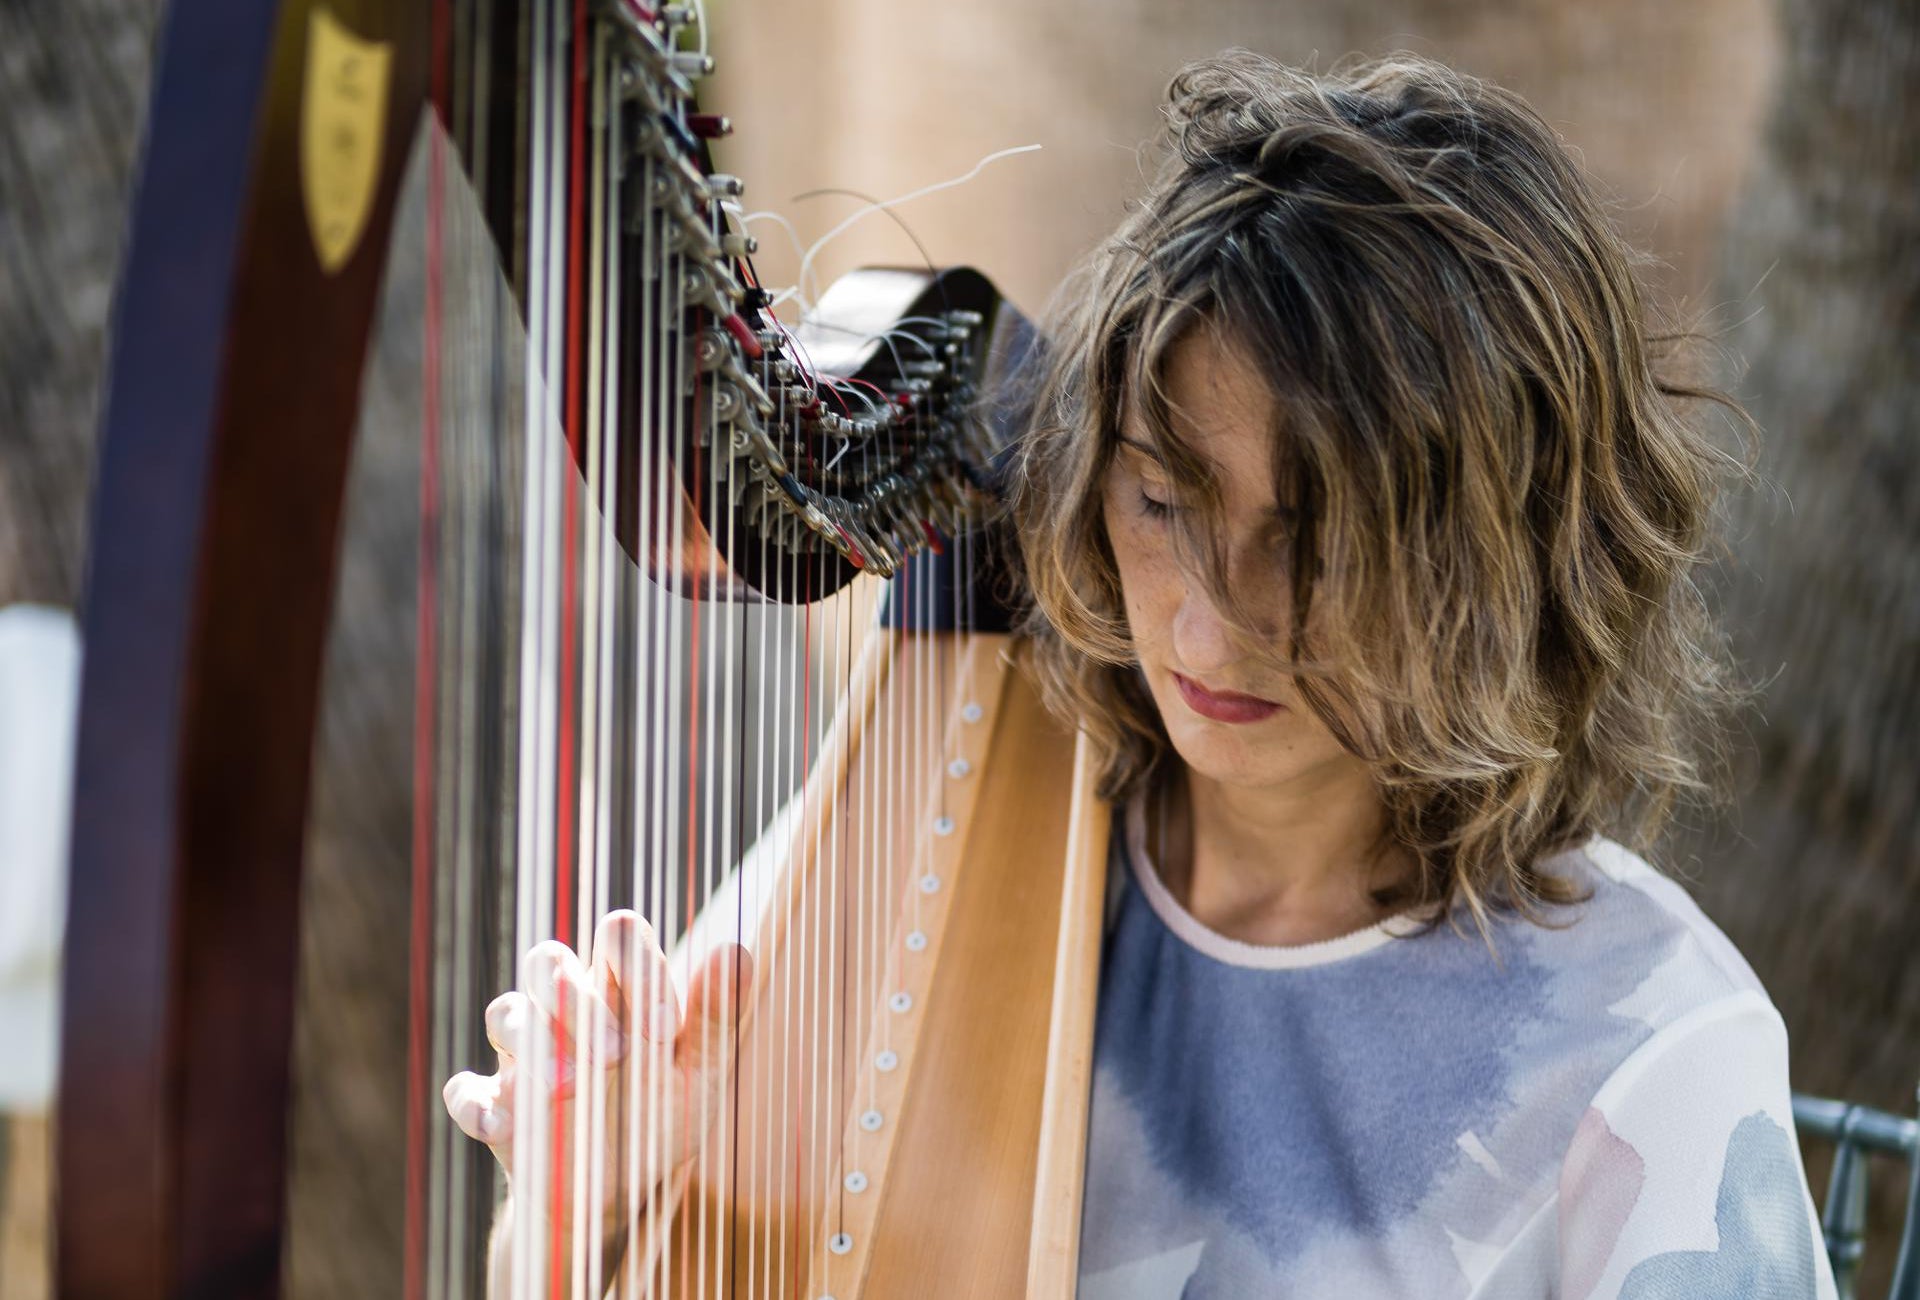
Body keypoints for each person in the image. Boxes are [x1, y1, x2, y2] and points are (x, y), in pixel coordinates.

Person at [445, 49, 1837, 1298]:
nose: (1207, 633)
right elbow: (552, 1271)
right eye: (1165, 505)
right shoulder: (963, 803)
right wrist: (594, 1199)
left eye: (1316, 539)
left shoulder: (1651, 1056)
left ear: (1503, 558)